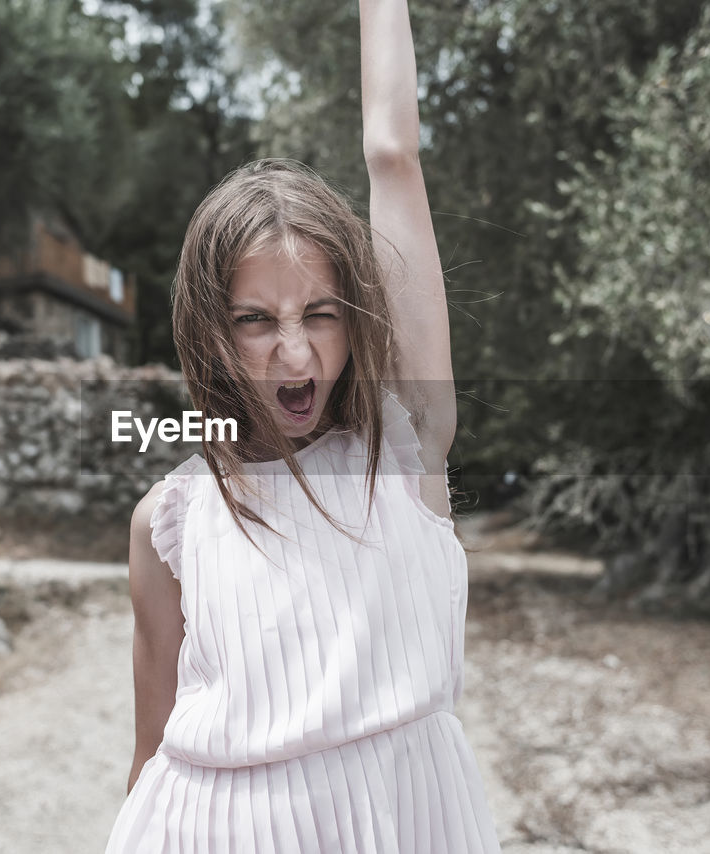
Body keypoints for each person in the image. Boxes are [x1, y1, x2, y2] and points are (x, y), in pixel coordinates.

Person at [104, 0, 500, 850]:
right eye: (255, 320)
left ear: (356, 318)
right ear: (211, 330)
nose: (296, 355)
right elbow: (149, 753)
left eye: (320, 312)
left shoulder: (405, 443)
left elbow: (393, 156)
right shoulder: (169, 524)